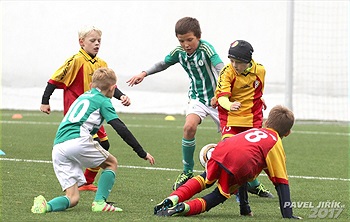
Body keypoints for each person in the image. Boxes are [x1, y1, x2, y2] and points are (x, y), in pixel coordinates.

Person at [31, 67, 155, 214]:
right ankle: (99, 203)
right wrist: (141, 152)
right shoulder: (103, 101)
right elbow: (120, 128)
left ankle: (46, 206)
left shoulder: (84, 96)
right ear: (113, 88)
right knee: (111, 163)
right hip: (77, 140)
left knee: (73, 198)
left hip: (58, 146)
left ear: (91, 85)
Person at [153, 105, 302, 219]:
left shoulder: (253, 131)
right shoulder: (275, 143)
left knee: (204, 178)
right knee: (219, 194)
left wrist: (245, 208)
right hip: (239, 163)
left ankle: (173, 198)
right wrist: (288, 214)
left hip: (221, 149)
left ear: (265, 122)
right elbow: (281, 183)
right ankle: (184, 207)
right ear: (287, 133)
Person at [127, 17, 224, 190]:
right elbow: (163, 64)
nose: (186, 44)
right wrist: (144, 73)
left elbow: (221, 69)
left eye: (189, 40)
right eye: (181, 41)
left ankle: (251, 182)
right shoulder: (179, 52)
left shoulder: (206, 48)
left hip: (218, 100)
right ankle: (187, 171)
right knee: (188, 127)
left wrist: (221, 93)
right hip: (198, 98)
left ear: (198, 36)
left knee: (232, 138)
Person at [40, 26, 131, 192]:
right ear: (81, 42)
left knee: (104, 144)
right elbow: (54, 79)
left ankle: (86, 182)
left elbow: (108, 85)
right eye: (92, 41)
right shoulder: (75, 60)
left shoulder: (102, 63)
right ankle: (79, 179)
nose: (97, 44)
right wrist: (45, 101)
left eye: (99, 41)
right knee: (96, 143)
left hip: (94, 112)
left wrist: (121, 95)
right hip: (79, 114)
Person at [214, 40, 273, 198]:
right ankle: (240, 192)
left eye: (238, 62)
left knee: (254, 157)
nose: (234, 65)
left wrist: (260, 99)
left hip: (252, 120)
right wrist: (229, 104)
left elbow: (257, 90)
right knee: (233, 154)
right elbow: (222, 98)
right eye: (231, 61)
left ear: (248, 61)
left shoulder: (260, 70)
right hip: (231, 119)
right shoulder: (227, 72)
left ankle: (252, 185)